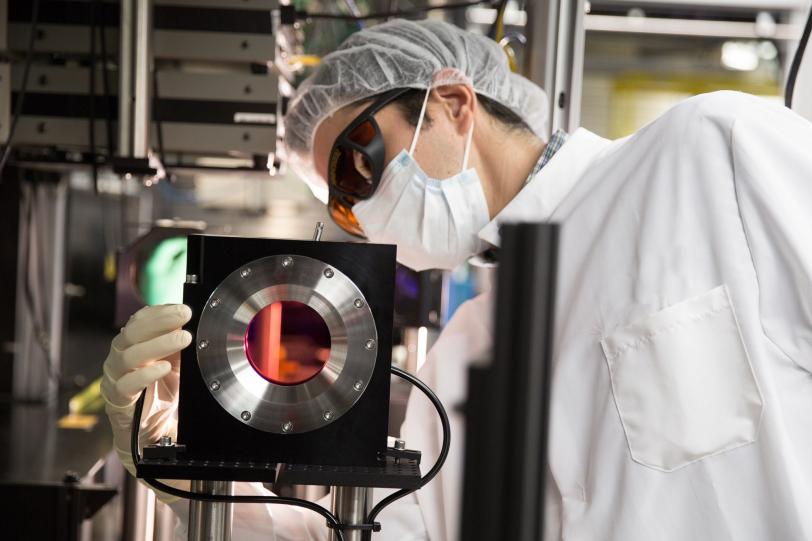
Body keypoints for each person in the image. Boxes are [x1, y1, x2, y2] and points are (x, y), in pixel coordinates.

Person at [103, 18, 812, 541]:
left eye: (357, 165)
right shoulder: (468, 352)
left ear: (452, 103)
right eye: (342, 209)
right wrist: (174, 452)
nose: (364, 216)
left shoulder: (710, 151)